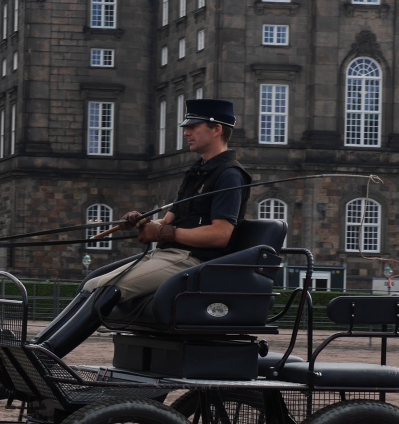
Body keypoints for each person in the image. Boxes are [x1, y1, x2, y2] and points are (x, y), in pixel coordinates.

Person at [35, 98, 252, 357]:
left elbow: (221, 235)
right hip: (170, 255)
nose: (186, 132)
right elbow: (168, 220)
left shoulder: (229, 175)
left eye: (194, 126)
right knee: (91, 283)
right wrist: (145, 223)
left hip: (194, 261)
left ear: (216, 129)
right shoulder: (198, 171)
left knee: (105, 288)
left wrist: (163, 233)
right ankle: (38, 344)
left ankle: (46, 356)